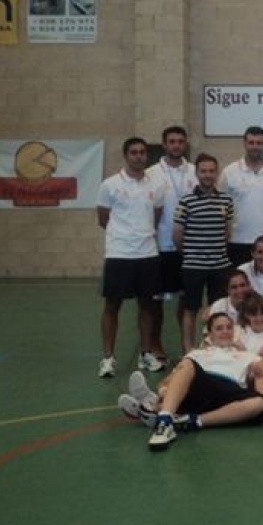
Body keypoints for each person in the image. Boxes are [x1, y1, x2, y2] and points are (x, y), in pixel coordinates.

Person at [119, 312, 263, 451]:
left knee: (259, 403)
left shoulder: (247, 354)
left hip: (230, 392)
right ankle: (163, 419)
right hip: (201, 387)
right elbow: (168, 382)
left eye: (229, 328)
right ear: (209, 334)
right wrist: (163, 392)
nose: (225, 331)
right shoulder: (196, 354)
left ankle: (169, 416)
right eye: (219, 328)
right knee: (186, 365)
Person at [95, 137, 168, 378]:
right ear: (126, 155)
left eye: (142, 152)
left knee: (147, 304)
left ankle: (145, 353)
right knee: (112, 305)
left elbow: (155, 216)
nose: (139, 156)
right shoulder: (110, 185)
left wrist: (141, 234)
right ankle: (108, 358)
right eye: (134, 152)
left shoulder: (155, 185)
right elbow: (103, 218)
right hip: (119, 253)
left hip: (147, 252)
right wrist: (124, 237)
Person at [144, 124, 198, 371]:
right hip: (161, 245)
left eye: (180, 141)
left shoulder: (196, 172)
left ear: (185, 143)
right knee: (156, 301)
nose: (176, 145)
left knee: (187, 300)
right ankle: (155, 345)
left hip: (191, 247)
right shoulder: (151, 173)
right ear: (164, 145)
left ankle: (186, 346)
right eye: (172, 141)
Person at [174, 153, 235, 354]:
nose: (208, 175)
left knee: (217, 310)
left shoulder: (226, 201)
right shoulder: (186, 201)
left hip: (220, 265)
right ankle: (188, 350)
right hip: (193, 266)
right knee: (190, 308)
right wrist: (192, 253)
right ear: (197, 173)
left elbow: (227, 231)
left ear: (216, 173)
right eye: (203, 171)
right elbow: (177, 235)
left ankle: (213, 348)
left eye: (211, 171)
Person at [219, 126, 263, 268]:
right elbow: (221, 209)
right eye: (251, 142)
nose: (255, 147)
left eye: (259, 143)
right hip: (237, 241)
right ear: (244, 144)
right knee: (239, 288)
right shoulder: (229, 172)